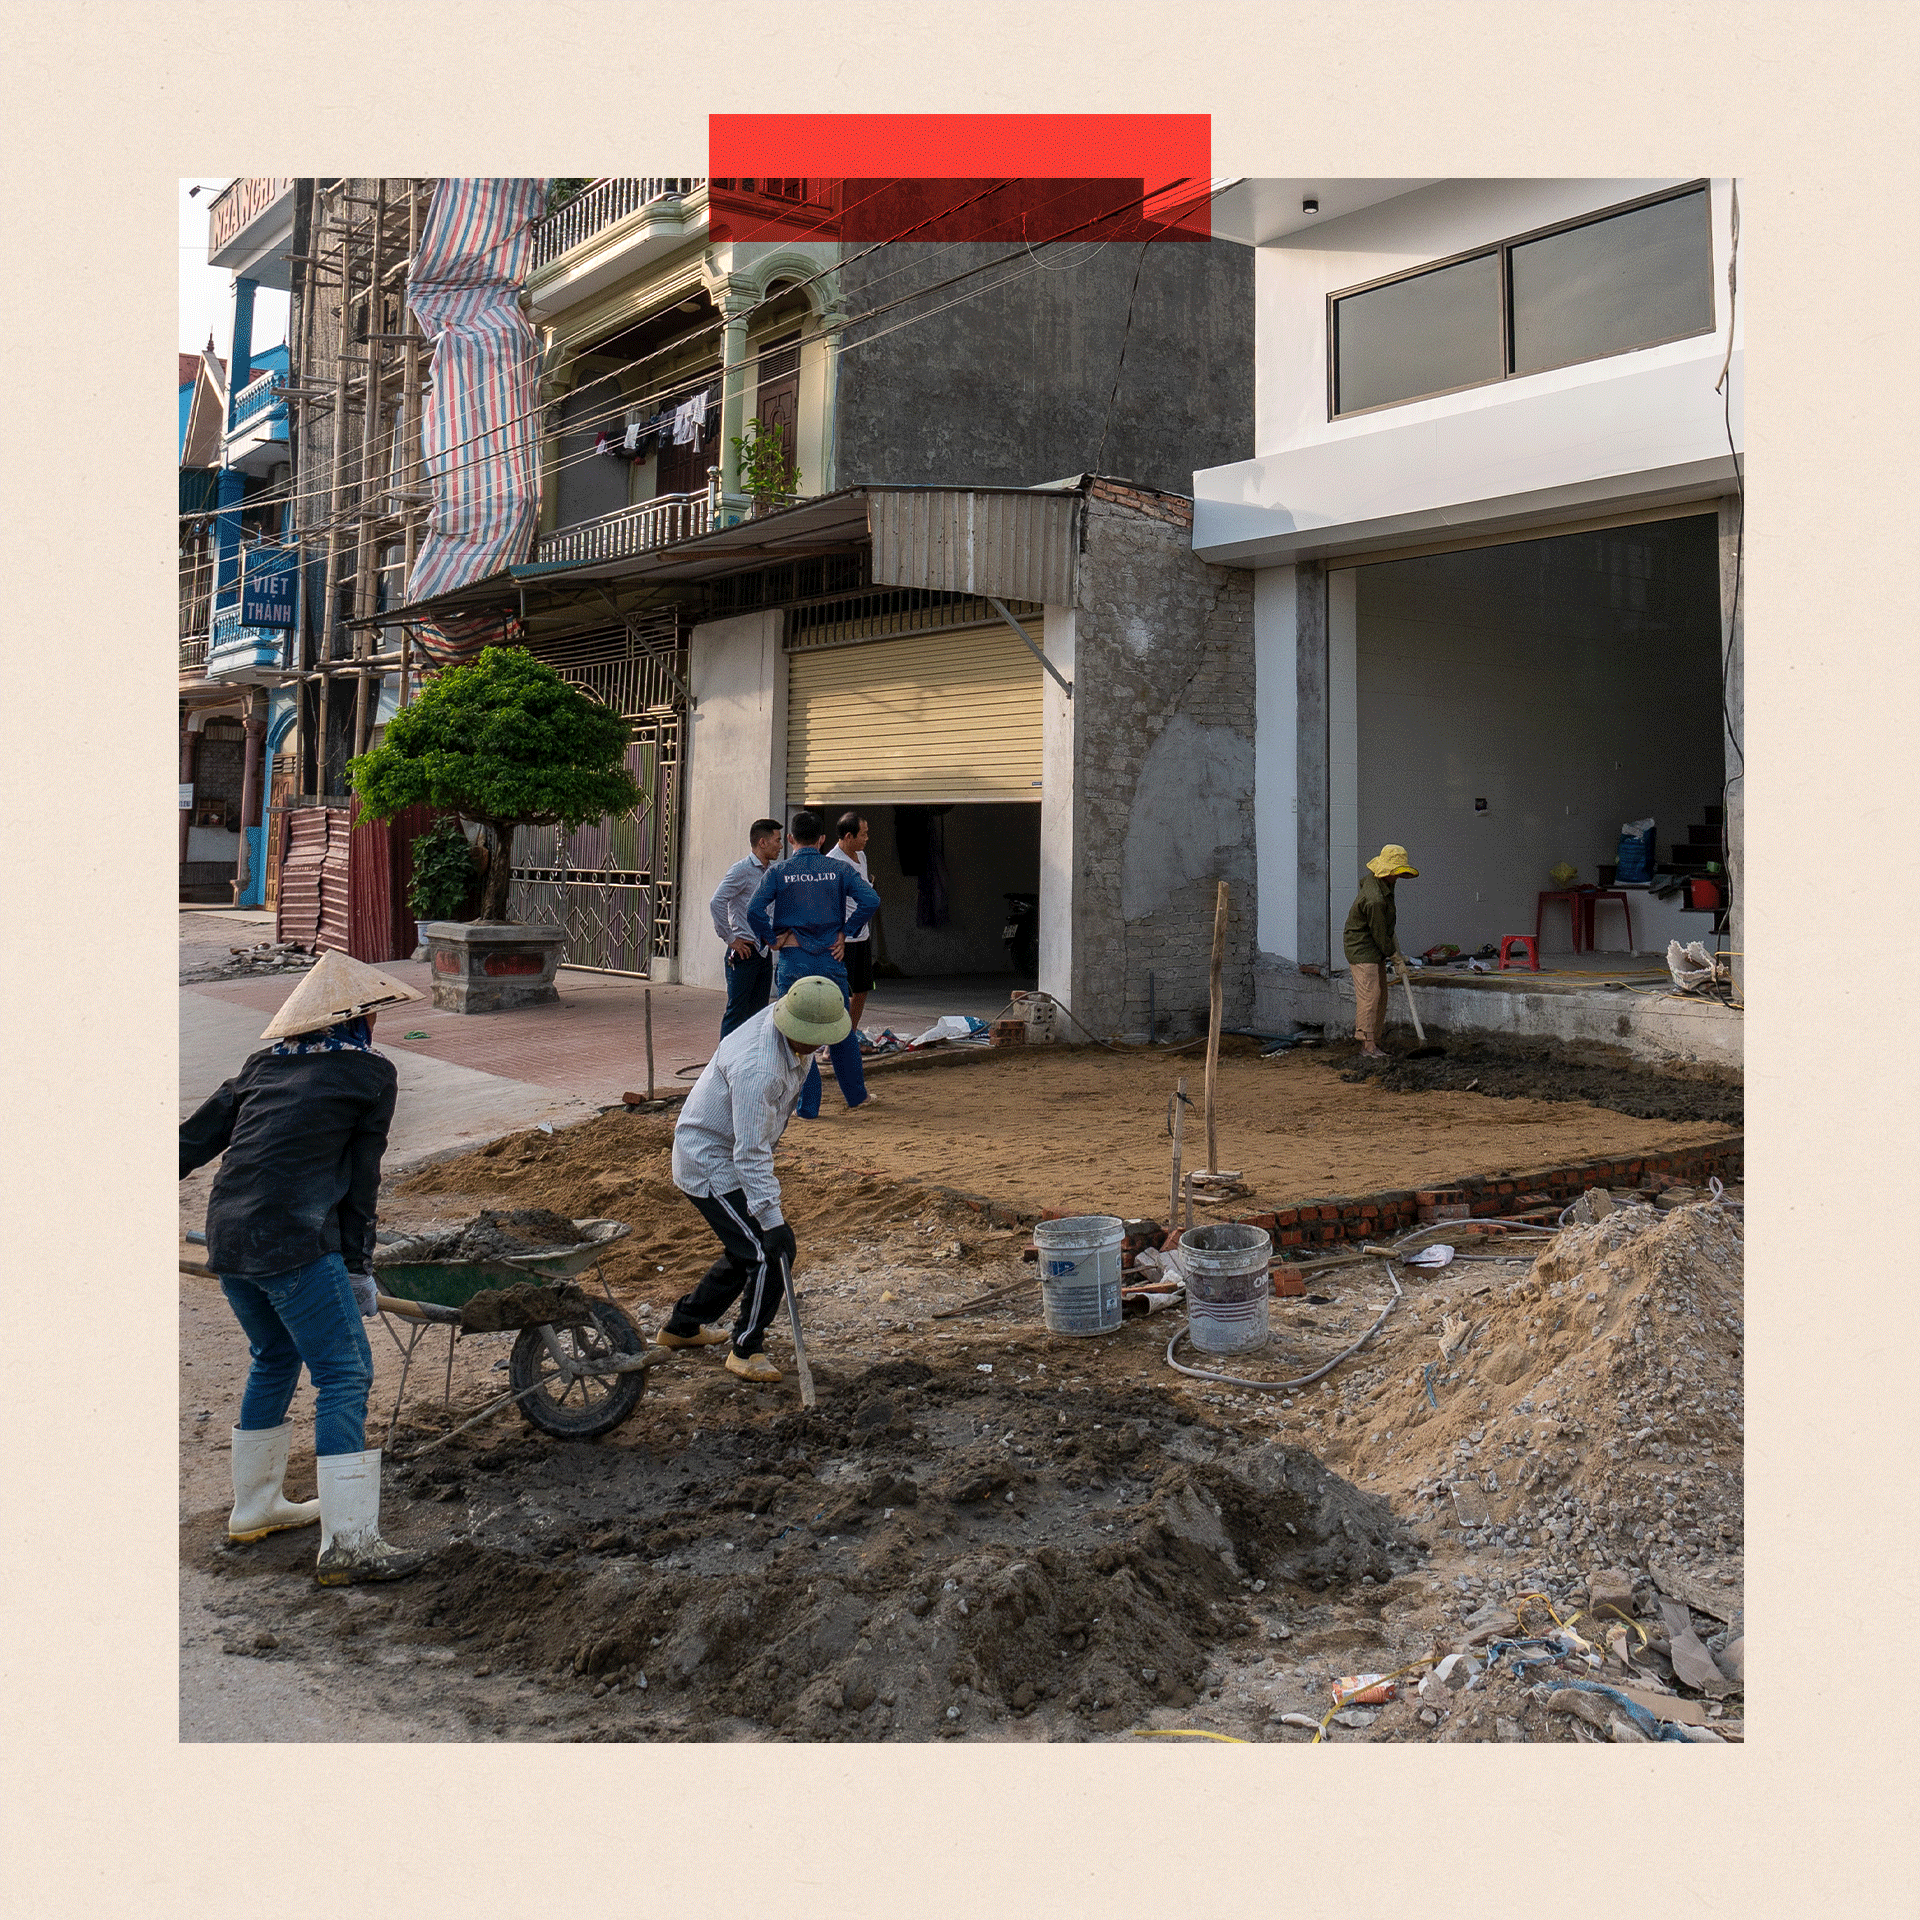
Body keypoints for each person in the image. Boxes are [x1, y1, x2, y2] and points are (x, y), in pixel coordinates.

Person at [179, 949, 430, 1585]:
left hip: (229, 1238)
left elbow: (190, 1142)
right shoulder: (370, 1076)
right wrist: (357, 1267)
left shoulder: (261, 1065)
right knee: (345, 1372)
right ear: (353, 1019)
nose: (374, 1024)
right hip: (294, 1242)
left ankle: (255, 1506)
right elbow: (360, 1183)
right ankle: (349, 1545)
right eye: (370, 1014)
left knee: (275, 1355)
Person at [659, 976, 852, 1382]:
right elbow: (750, 1153)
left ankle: (682, 1327)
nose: (819, 1048)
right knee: (770, 1251)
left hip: (727, 1152)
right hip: (711, 1162)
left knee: (743, 1248)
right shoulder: (760, 1068)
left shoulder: (786, 1023)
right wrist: (772, 1218)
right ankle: (746, 1348)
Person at [746, 808, 882, 1118]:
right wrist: (845, 933)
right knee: (841, 1029)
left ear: (791, 838)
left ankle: (808, 1107)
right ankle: (856, 1097)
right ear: (822, 839)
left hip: (794, 961)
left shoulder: (779, 872)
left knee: (798, 1033)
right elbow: (871, 900)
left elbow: (754, 911)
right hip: (831, 959)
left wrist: (771, 938)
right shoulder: (838, 869)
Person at [1343, 844, 1419, 1060]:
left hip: (1374, 943)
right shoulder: (1374, 898)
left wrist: (1394, 951)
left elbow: (1384, 928)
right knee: (1370, 995)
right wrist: (1396, 959)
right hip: (1361, 947)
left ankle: (1372, 1040)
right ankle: (1367, 1047)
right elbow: (1379, 934)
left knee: (1381, 995)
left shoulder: (1382, 882)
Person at [710, 817, 784, 1038]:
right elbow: (716, 902)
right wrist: (730, 938)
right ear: (762, 842)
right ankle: (723, 1066)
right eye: (777, 840)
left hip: (763, 953)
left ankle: (750, 1064)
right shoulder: (741, 870)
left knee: (758, 1014)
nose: (780, 846)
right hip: (744, 953)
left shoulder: (772, 872)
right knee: (737, 1012)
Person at [823, 809, 876, 1035]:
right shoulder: (831, 862)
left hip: (862, 935)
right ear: (847, 837)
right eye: (862, 834)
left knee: (862, 989)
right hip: (842, 938)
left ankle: (849, 1033)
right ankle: (831, 1040)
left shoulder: (861, 856)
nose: (866, 838)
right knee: (840, 992)